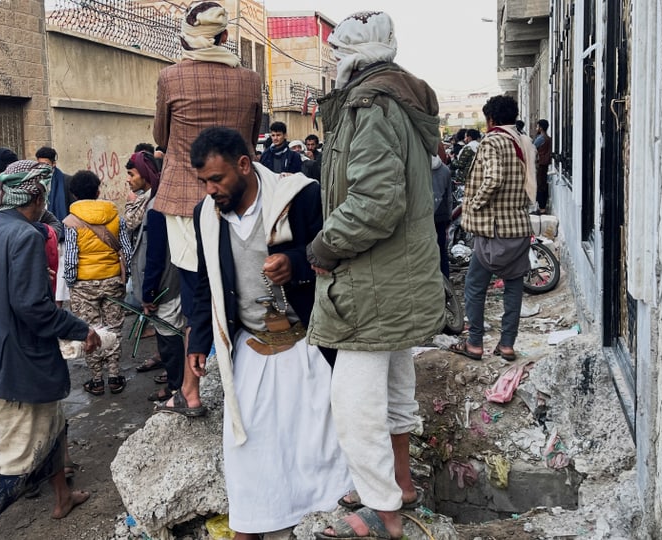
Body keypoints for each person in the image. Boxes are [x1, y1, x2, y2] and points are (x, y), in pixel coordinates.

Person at [169, 127, 351, 538]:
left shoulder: (298, 197)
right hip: (251, 345)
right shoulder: (207, 216)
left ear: (245, 165)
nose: (211, 189)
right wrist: (198, 342)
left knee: (318, 444)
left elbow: (338, 257)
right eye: (204, 182)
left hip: (308, 343)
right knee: (248, 448)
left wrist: (295, 265)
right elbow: (203, 284)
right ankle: (254, 524)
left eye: (217, 179)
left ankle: (317, 520)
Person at [306, 12, 445, 540]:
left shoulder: (370, 105)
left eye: (335, 50)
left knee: (356, 407)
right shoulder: (397, 99)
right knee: (395, 389)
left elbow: (376, 201)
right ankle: (402, 486)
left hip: (372, 283)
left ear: (349, 55)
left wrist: (324, 246)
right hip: (397, 280)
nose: (331, 60)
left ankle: (382, 513)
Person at [0, 163, 97, 539]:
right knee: (17, 455)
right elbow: (34, 308)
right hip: (16, 361)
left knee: (54, 424)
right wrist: (83, 330)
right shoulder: (27, 236)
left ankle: (62, 498)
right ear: (37, 197)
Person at [152, 1, 262, 414]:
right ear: (226, 38)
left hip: (184, 198)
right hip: (239, 194)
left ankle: (191, 391)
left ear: (185, 38)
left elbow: (161, 135)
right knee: (241, 285)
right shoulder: (250, 80)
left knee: (198, 293)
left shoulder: (170, 77)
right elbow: (253, 136)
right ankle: (248, 383)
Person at [448, 95, 536, 364]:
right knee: (513, 287)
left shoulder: (493, 141)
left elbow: (494, 177)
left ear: (491, 119)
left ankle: (474, 343)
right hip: (519, 226)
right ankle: (507, 345)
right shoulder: (525, 141)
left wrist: (473, 204)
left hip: (493, 229)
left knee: (475, 286)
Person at [125, 152, 185, 402]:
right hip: (167, 283)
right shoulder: (153, 202)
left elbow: (155, 254)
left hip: (164, 286)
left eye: (131, 174)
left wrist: (149, 293)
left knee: (169, 337)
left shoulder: (157, 207)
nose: (128, 179)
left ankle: (176, 386)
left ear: (146, 174)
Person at [63, 171, 127, 396]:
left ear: (73, 194)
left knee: (90, 330)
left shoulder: (70, 221)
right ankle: (115, 377)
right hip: (112, 281)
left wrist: (71, 282)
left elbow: (71, 257)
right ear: (98, 191)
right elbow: (125, 250)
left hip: (83, 285)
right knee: (114, 327)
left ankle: (97, 380)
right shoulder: (115, 216)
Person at [35, 146, 71, 221]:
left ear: (53, 164)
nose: (42, 168)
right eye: (40, 164)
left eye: (46, 164)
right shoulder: (34, 180)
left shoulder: (66, 181)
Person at [432, 152, 453, 278]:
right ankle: (445, 282)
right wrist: (449, 217)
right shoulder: (445, 170)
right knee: (441, 251)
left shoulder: (419, 167)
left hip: (423, 215)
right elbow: (449, 196)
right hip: (441, 215)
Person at [533, 119, 552, 213]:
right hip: (545, 164)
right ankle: (542, 206)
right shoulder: (548, 138)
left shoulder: (541, 138)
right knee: (543, 184)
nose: (536, 128)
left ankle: (541, 208)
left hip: (540, 164)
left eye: (537, 126)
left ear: (540, 127)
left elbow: (533, 147)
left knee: (540, 185)